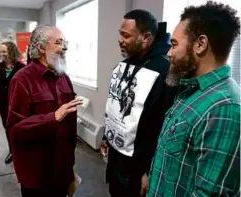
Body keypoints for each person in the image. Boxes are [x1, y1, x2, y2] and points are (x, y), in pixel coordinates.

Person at [147, 1, 240, 197]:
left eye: (174, 45)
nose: (169, 53)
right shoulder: (192, 90)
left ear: (200, 44)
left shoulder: (224, 108)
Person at [101, 9, 177, 197]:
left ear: (146, 38)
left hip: (138, 168)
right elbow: (115, 103)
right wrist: (106, 136)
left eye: (126, 35)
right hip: (117, 161)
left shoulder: (165, 71)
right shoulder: (127, 63)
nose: (120, 40)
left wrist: (150, 170)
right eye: (120, 34)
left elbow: (164, 127)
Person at [6, 25, 82, 197]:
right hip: (37, 172)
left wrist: (70, 164)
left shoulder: (64, 78)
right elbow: (15, 129)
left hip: (62, 168)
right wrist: (53, 117)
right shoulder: (22, 79)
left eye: (65, 42)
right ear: (40, 47)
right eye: (59, 42)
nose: (65, 47)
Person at [0, 41, 25, 164]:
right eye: (0, 51)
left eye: (4, 51)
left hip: (17, 103)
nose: (2, 54)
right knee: (7, 128)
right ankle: (12, 151)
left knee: (18, 128)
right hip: (3, 103)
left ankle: (21, 151)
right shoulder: (0, 66)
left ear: (11, 52)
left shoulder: (21, 68)